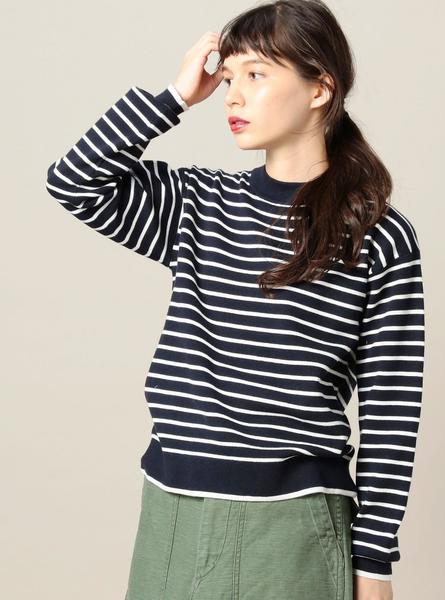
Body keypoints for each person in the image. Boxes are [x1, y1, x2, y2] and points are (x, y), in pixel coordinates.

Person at [45, 1, 425, 599]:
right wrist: (175, 97)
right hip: (173, 508)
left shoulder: (376, 234)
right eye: (228, 79)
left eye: (256, 74)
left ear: (320, 87)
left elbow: (391, 410)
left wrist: (374, 564)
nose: (233, 97)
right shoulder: (200, 205)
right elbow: (73, 181)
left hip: (292, 525)